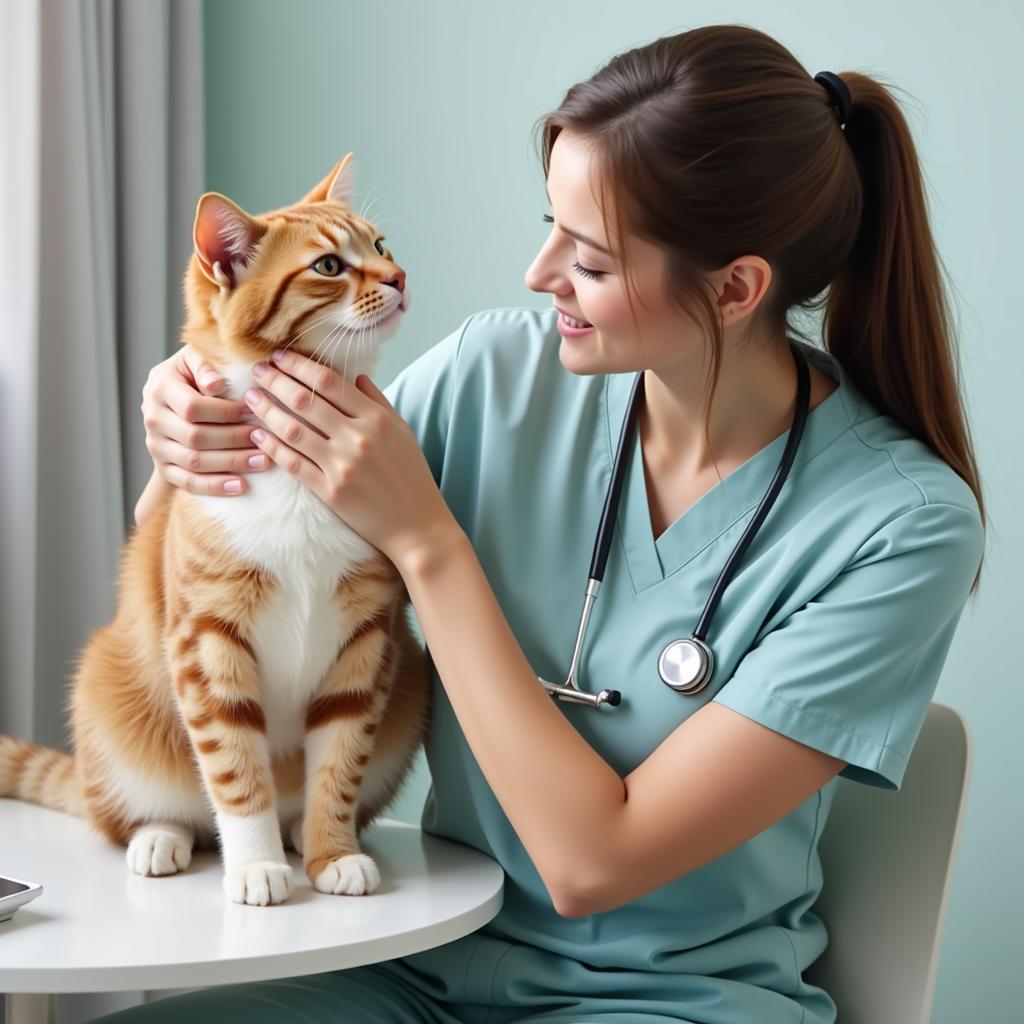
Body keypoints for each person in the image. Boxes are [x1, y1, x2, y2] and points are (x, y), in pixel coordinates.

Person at [96, 23, 986, 1024]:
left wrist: (428, 542)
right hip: (412, 965)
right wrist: (189, 426)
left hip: (669, 1004)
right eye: (548, 223)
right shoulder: (494, 374)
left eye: (590, 258)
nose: (537, 272)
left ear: (735, 289)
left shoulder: (899, 527)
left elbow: (589, 865)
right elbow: (194, 556)